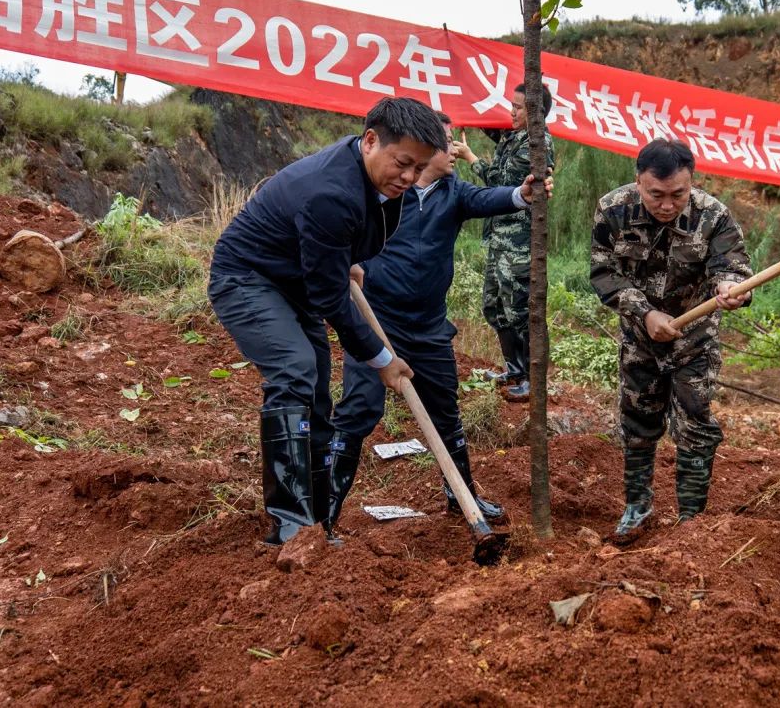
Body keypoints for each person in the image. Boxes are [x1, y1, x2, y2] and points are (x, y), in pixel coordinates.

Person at [208, 97, 447, 546]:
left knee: (317, 390)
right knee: (294, 368)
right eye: (403, 164)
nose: (409, 178)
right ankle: (289, 524)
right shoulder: (330, 192)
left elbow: (342, 242)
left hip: (295, 279)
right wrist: (382, 360)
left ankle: (317, 523)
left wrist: (343, 259)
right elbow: (331, 300)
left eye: (419, 168)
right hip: (247, 278)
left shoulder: (370, 177)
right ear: (370, 140)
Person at [327, 112, 553, 541]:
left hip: (429, 328)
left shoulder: (454, 193)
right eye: (447, 143)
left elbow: (492, 198)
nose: (454, 151)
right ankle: (327, 513)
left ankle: (462, 496)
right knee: (357, 412)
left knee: (446, 414)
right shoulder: (384, 191)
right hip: (376, 322)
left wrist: (524, 194)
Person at [589, 138, 752, 542]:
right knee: (637, 421)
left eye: (677, 195)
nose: (666, 205)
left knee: (695, 421)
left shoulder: (713, 215)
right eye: (655, 195)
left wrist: (732, 288)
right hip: (640, 338)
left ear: (691, 182)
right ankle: (637, 507)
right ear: (638, 182)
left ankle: (690, 520)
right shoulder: (613, 210)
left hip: (693, 341)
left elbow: (732, 267)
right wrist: (645, 313)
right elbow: (604, 273)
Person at [455, 83, 555, 400]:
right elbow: (492, 127)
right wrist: (466, 99)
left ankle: (534, 381)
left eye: (518, 107)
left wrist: (471, 157)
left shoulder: (537, 145)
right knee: (495, 306)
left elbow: (503, 184)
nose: (511, 112)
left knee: (521, 311)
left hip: (521, 243)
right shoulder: (514, 136)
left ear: (536, 113)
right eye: (511, 105)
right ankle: (514, 370)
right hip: (500, 238)